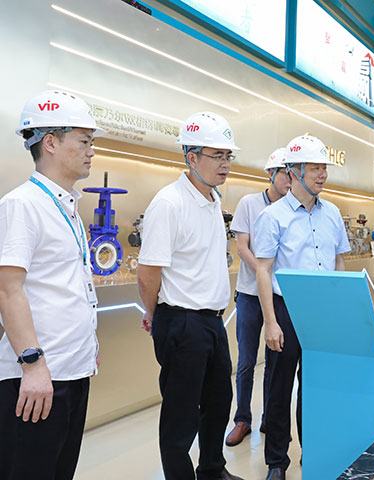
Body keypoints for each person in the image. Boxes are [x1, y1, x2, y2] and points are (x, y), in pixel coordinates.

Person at [0, 90, 104, 479]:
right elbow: (7, 290)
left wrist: (88, 346)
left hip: (71, 371)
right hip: (38, 377)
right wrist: (32, 365)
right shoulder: (23, 204)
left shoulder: (66, 205)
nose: (91, 151)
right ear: (50, 143)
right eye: (84, 141)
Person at [137, 112, 243, 480]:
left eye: (228, 156)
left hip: (212, 321)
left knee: (219, 401)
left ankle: (212, 469)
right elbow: (148, 271)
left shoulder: (212, 199)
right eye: (217, 156)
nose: (225, 164)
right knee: (181, 415)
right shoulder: (170, 203)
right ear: (191, 157)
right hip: (181, 321)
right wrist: (155, 314)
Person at [253, 135, 350, 480]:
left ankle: (314, 448)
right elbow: (263, 270)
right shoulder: (272, 216)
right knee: (279, 389)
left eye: (324, 168)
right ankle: (277, 461)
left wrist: (338, 309)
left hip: (322, 312)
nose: (322, 174)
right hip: (286, 310)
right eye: (315, 168)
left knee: (316, 386)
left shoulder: (333, 213)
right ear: (294, 171)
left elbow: (339, 260)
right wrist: (270, 322)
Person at [225, 148, 291, 447]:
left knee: (275, 361)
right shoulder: (249, 204)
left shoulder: (292, 209)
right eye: (285, 173)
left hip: (279, 298)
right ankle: (242, 419)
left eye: (293, 174)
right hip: (251, 295)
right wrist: (266, 274)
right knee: (247, 361)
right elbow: (242, 247)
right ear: (271, 174)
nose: (290, 180)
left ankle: (269, 417)